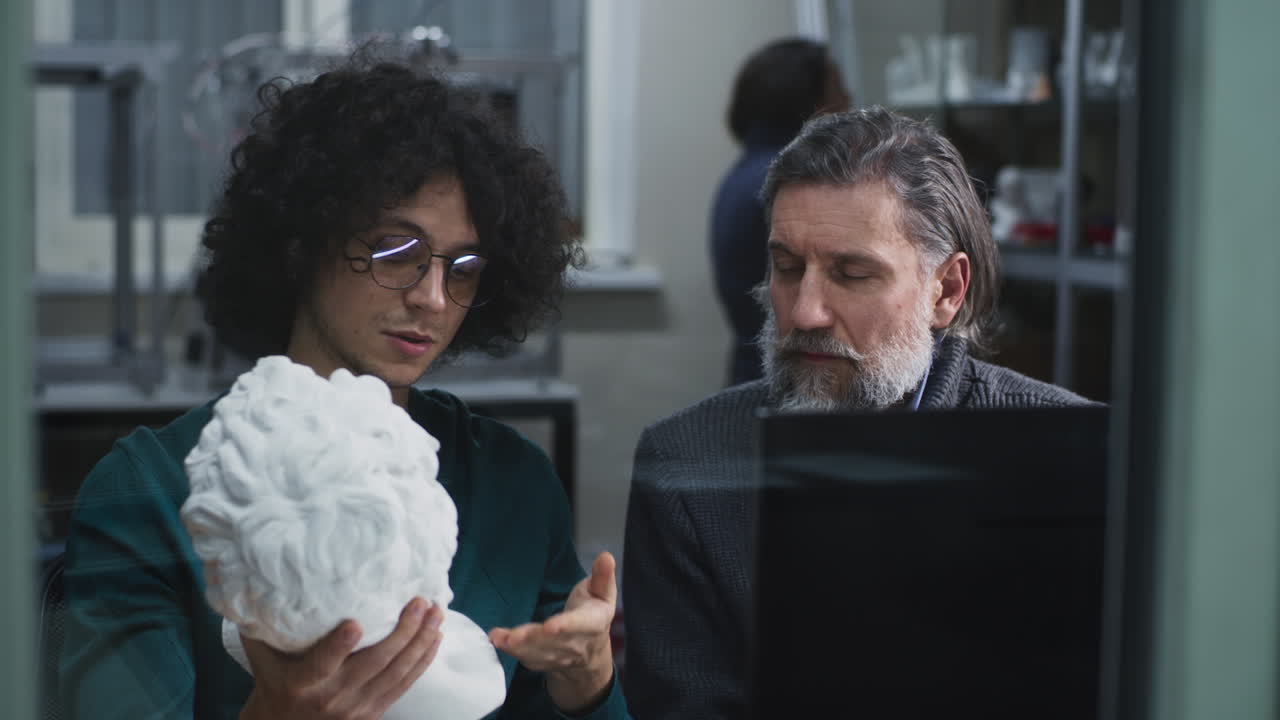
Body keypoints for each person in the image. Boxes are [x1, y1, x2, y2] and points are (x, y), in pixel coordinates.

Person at [59, 53, 630, 720]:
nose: (433, 298)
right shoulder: (151, 492)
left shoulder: (512, 486)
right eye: (395, 252)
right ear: (303, 242)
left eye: (465, 268)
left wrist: (587, 684)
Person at [623, 107, 1095, 718]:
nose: (806, 312)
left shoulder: (1064, 453)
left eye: (853, 273)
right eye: (788, 268)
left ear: (946, 291)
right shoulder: (689, 465)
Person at [710, 38, 850, 386]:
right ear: (812, 103)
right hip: (787, 382)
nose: (848, 101)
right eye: (838, 89)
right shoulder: (792, 184)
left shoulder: (746, 173)